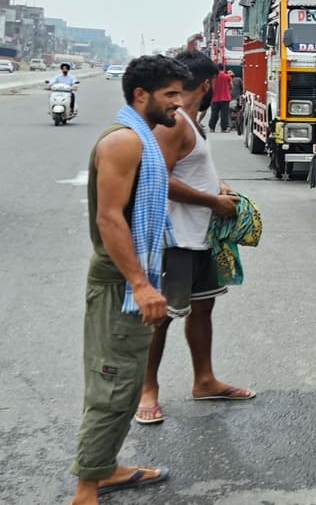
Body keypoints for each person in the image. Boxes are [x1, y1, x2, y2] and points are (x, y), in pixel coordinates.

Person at [71, 55, 189, 505]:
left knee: (123, 380)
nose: (177, 104)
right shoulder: (124, 142)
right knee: (114, 381)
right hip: (121, 280)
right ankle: (86, 489)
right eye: (170, 95)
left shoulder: (140, 137)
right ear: (142, 95)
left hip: (133, 276)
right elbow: (110, 218)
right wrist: (140, 285)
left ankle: (106, 468)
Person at [134, 50, 254, 425]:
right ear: (206, 84)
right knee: (162, 316)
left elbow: (186, 170)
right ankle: (147, 389)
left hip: (200, 235)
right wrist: (212, 200)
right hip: (177, 238)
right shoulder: (174, 124)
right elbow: (160, 180)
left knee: (203, 308)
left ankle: (204, 380)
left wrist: (216, 186)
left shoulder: (190, 121)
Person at [209, 67, 233, 133]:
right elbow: (231, 86)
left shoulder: (214, 77)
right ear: (223, 69)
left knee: (214, 114)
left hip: (215, 98)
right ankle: (223, 128)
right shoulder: (227, 76)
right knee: (224, 114)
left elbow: (211, 86)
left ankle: (212, 128)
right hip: (225, 98)